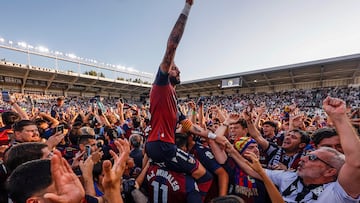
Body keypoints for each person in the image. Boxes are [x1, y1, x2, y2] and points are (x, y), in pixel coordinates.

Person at [145, 0, 215, 199]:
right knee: (205, 176)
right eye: (175, 68)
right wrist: (187, 7)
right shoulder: (161, 85)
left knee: (183, 177)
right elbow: (172, 46)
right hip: (163, 145)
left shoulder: (173, 99)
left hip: (157, 146)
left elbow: (189, 126)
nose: (178, 70)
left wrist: (213, 138)